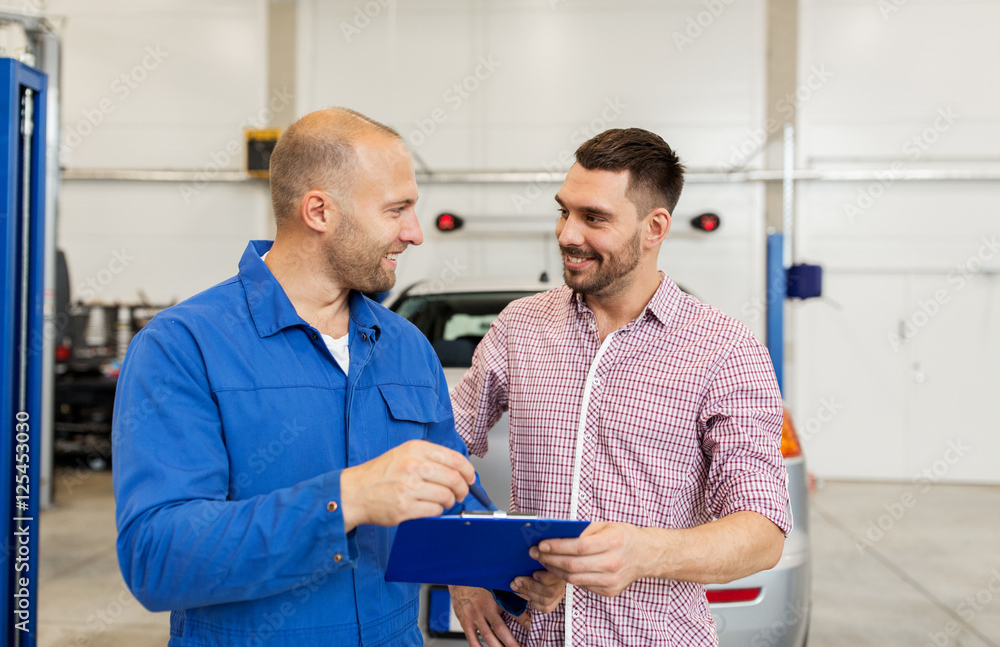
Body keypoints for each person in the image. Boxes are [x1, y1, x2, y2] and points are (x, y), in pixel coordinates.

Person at [112, 107, 514, 646]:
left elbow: (453, 499)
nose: (414, 234)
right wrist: (346, 498)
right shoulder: (183, 347)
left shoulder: (406, 349)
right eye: (396, 210)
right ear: (320, 211)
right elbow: (157, 559)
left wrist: (516, 563)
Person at [448, 128, 792, 647]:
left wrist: (643, 552)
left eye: (594, 218)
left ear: (654, 227)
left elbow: (762, 532)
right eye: (564, 211)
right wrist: (464, 568)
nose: (567, 234)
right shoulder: (521, 327)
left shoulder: (724, 350)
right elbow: (437, 447)